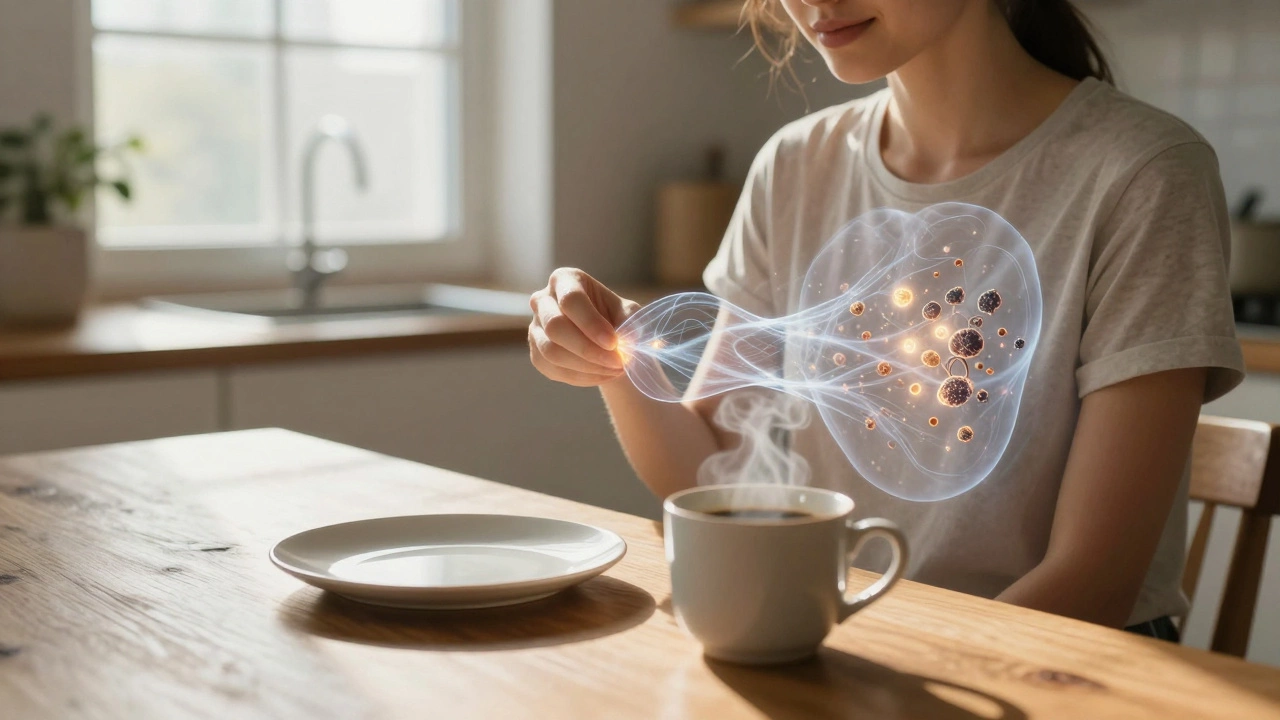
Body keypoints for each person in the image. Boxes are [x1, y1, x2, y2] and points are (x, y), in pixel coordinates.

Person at [527, 0, 1244, 641]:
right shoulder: (795, 166)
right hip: (857, 641)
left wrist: (881, 673)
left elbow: (1096, 577)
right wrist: (615, 350)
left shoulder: (1143, 172)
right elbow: (706, 471)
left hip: (1063, 667)